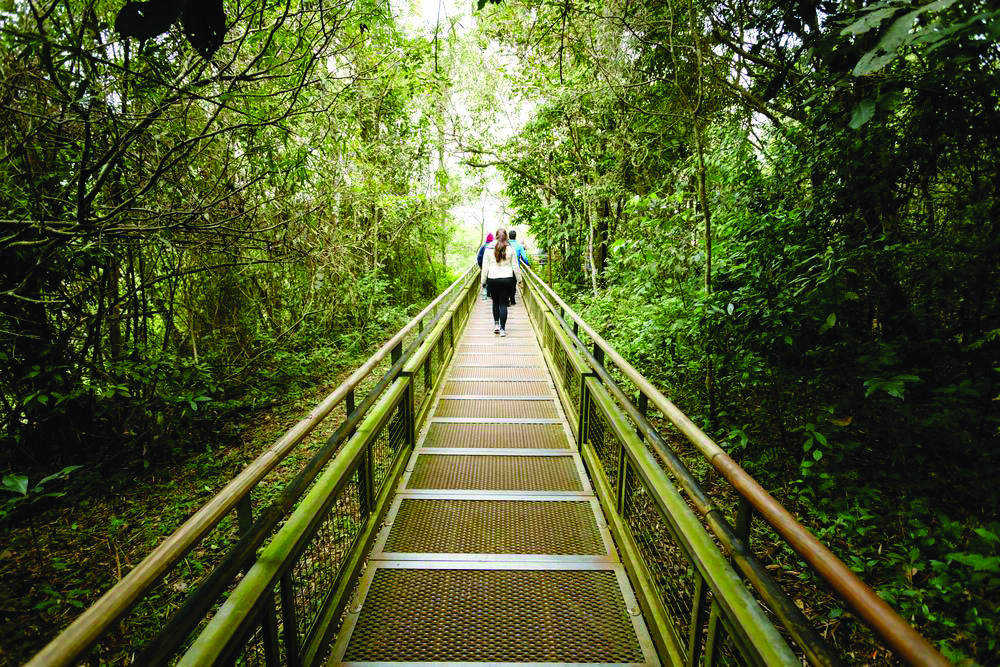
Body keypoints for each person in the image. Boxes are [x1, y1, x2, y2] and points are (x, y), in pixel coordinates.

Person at [480, 228, 522, 337]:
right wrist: (519, 280)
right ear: (506, 236)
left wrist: (483, 282)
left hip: (493, 279)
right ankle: (503, 330)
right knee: (503, 304)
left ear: (496, 236)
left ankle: (496, 325)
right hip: (507, 279)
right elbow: (515, 266)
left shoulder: (488, 248)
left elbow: (485, 267)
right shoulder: (510, 248)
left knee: (495, 302)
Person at [507, 229, 530, 305]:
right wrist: (528, 264)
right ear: (515, 237)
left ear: (509, 236)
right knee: (513, 284)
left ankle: (506, 299)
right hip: (515, 268)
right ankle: (512, 300)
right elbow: (524, 257)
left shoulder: (505, 245)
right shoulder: (519, 246)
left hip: (505, 267)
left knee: (506, 283)